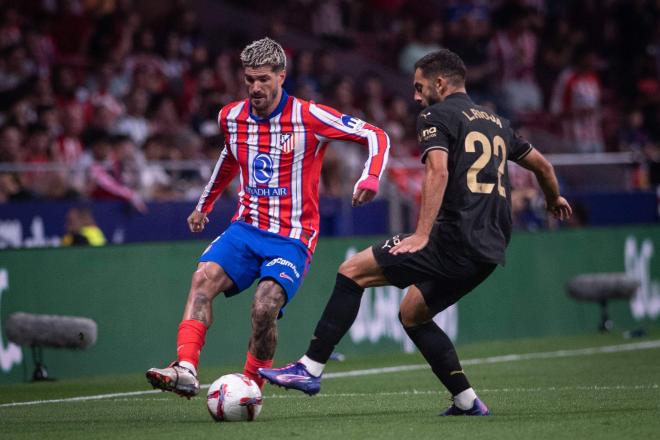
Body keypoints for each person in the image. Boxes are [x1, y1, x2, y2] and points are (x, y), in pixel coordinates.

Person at [259, 49, 572, 416]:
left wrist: (423, 234)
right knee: (413, 313)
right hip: (491, 248)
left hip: (453, 237)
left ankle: (309, 368)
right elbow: (543, 165)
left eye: (420, 87)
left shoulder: (435, 116)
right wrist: (554, 199)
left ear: (440, 83)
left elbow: (437, 172)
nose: (416, 96)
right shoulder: (497, 122)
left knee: (351, 272)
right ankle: (467, 401)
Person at [145, 38, 390, 398]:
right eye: (249, 80)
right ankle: (185, 369)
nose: (255, 87)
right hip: (246, 228)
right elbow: (230, 156)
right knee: (202, 279)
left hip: (292, 236)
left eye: (263, 79)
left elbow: (375, 134)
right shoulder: (231, 116)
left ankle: (250, 388)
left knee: (264, 306)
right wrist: (205, 204)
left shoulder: (309, 116)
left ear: (281, 76)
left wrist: (370, 177)